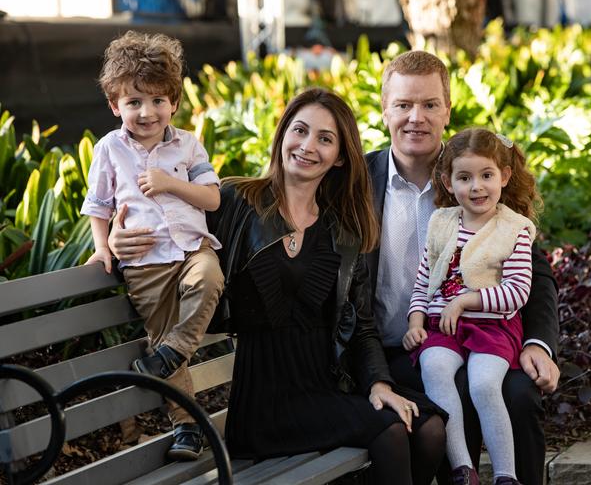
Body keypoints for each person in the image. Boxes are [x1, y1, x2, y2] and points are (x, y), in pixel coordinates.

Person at [109, 87, 448, 485]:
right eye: (300, 131)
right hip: (267, 400)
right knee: (390, 433)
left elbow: (361, 324)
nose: (307, 146)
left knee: (428, 429)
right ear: (283, 134)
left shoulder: (343, 229)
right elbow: (170, 246)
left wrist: (378, 383)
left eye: (325, 139)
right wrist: (116, 246)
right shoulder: (234, 200)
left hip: (329, 385)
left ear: (339, 157)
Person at [365, 50, 560, 485]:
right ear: (384, 110)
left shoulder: (474, 174)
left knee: (519, 394)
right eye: (403, 105)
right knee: (437, 391)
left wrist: (538, 343)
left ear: (447, 110)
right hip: (395, 351)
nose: (416, 117)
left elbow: (536, 270)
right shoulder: (358, 182)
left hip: (486, 335)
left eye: (430, 104)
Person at [81, 30, 224, 461]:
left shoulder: (187, 144)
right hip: (143, 262)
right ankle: (187, 428)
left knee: (210, 278)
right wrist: (103, 247)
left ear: (175, 102)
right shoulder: (109, 149)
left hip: (191, 249)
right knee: (161, 337)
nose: (147, 112)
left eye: (158, 100)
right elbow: (98, 204)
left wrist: (170, 184)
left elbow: (212, 198)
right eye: (134, 102)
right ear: (114, 105)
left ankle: (171, 352)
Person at [404, 128, 540, 485]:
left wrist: (466, 300)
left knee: (482, 385)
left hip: (492, 328)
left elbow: (516, 292)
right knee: (433, 367)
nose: (476, 186)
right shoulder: (441, 223)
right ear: (448, 183)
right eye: (464, 178)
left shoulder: (513, 229)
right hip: (444, 329)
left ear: (504, 177)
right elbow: (424, 282)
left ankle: (506, 475)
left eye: (486, 175)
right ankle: (462, 468)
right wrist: (416, 320)